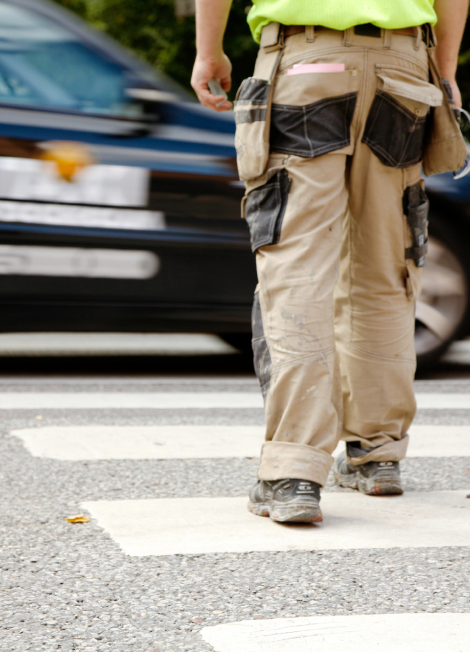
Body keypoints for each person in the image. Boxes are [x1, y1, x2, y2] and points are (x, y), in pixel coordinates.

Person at [191, 0, 468, 523]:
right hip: (403, 70)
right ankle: (377, 453)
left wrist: (209, 51)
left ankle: (294, 471)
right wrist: (446, 71)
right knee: (385, 267)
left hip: (306, 61)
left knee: (297, 267)